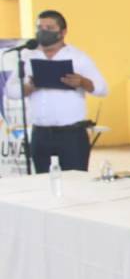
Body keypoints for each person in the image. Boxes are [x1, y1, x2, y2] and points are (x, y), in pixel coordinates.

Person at [3, 10, 108, 173]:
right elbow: (10, 91)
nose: (43, 31)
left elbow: (102, 89)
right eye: (40, 27)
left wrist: (82, 82)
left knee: (75, 181)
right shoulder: (27, 56)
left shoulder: (78, 57)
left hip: (72, 134)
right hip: (40, 133)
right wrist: (28, 88)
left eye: (49, 28)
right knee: (42, 181)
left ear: (63, 32)